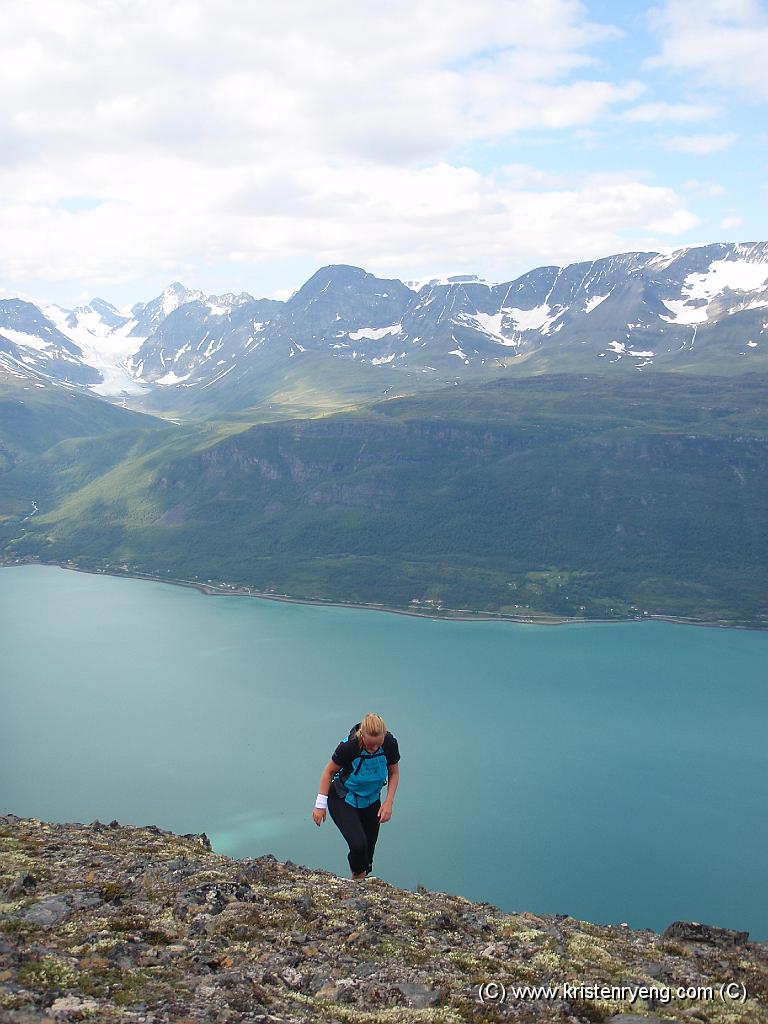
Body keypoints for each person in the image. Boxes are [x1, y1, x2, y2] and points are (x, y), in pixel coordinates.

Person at [312, 712, 400, 879]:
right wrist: (320, 805)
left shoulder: (389, 744)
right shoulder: (349, 746)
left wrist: (388, 802)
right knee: (358, 845)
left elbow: (394, 772)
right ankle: (357, 887)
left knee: (367, 855)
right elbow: (328, 772)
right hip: (343, 798)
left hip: (372, 800)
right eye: (370, 745)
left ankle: (357, 884)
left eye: (378, 744)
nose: (374, 749)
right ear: (362, 735)